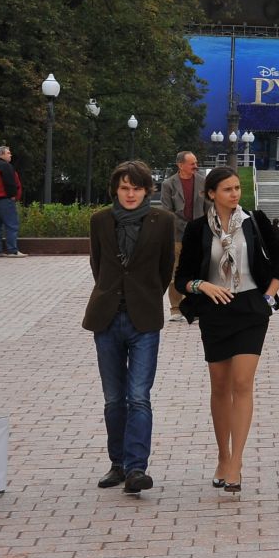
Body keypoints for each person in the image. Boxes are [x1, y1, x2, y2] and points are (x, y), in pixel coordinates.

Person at [175, 166, 279, 494]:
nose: (235, 194)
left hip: (252, 309)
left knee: (242, 382)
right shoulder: (197, 230)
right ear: (211, 194)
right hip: (215, 311)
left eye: (237, 187)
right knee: (220, 386)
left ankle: (236, 461)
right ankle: (222, 457)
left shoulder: (255, 222)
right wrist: (202, 286)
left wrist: (268, 295)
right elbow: (181, 278)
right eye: (227, 189)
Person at [84, 160, 178, 495]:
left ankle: (137, 468)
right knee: (113, 399)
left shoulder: (162, 221)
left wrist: (147, 294)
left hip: (144, 318)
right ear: (116, 189)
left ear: (146, 190)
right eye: (124, 187)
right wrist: (113, 292)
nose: (130, 193)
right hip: (106, 318)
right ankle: (118, 463)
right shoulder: (100, 221)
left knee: (138, 396)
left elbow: (167, 265)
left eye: (136, 188)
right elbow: (98, 265)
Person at [156, 150, 202, 246]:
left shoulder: (204, 182)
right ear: (180, 166)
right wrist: (187, 227)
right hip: (178, 237)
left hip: (200, 234)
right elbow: (168, 212)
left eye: (196, 163)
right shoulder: (168, 185)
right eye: (192, 164)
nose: (196, 166)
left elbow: (209, 207)